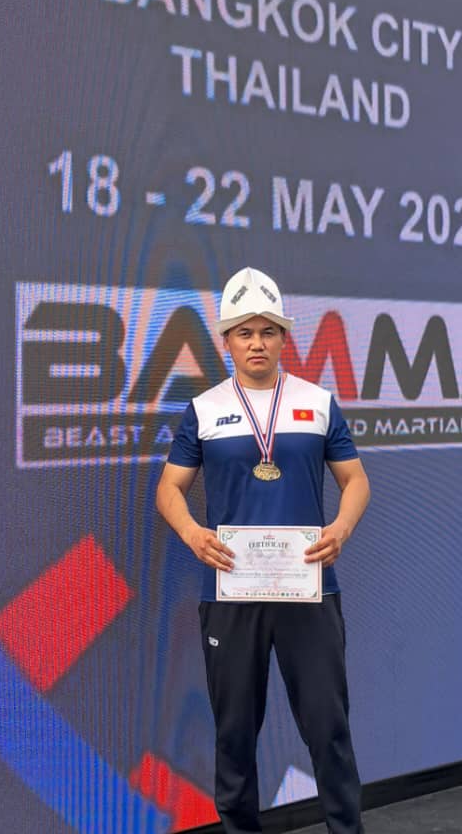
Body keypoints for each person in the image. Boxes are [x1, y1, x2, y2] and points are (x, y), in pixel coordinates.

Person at [156, 266, 370, 834]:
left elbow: (356, 481)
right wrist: (193, 534)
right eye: (245, 332)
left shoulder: (317, 403)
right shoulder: (204, 410)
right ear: (226, 340)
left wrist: (341, 528)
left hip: (309, 589)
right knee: (234, 734)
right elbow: (169, 489)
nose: (257, 343)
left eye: (268, 331)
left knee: (328, 728)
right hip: (231, 592)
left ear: (283, 338)